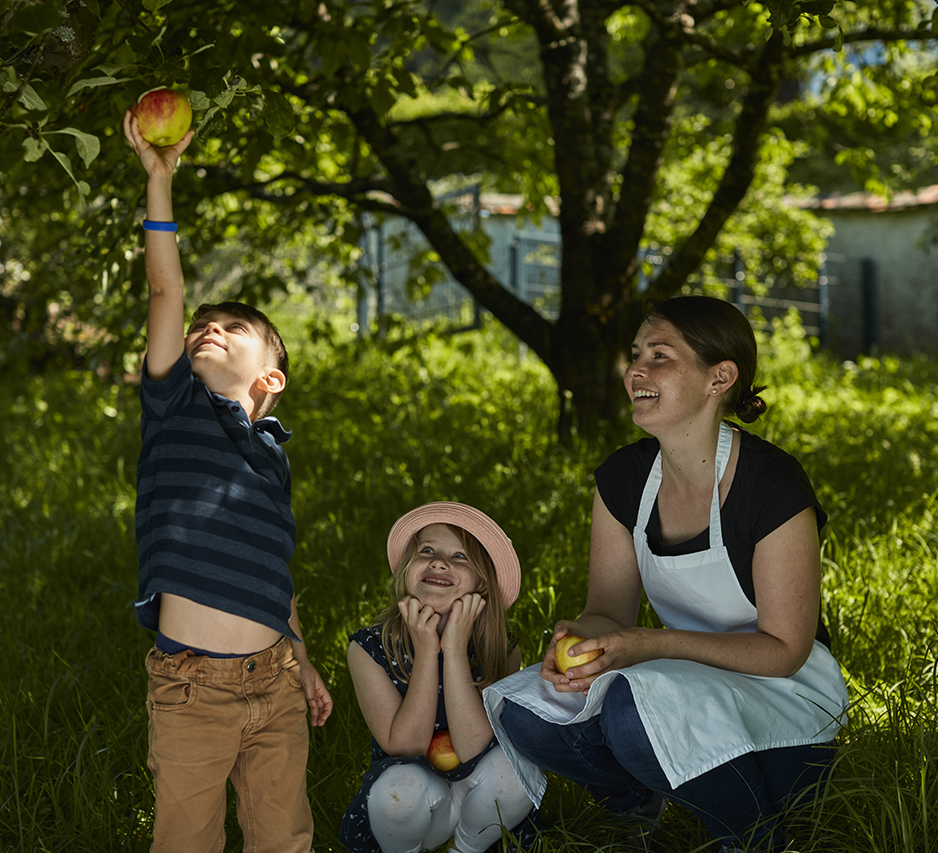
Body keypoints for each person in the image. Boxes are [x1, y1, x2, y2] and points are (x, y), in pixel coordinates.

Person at [484, 296, 849, 853]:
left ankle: (754, 838)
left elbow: (785, 650)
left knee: (631, 708)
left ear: (718, 378)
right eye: (635, 355)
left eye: (661, 356)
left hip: (787, 698)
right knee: (524, 708)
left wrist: (646, 647)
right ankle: (637, 808)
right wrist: (584, 636)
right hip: (681, 679)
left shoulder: (771, 484)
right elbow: (607, 608)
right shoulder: (623, 479)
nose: (637, 370)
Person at [124, 111, 333, 853]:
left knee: (285, 837)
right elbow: (163, 293)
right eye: (200, 325)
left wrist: (302, 657)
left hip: (275, 682)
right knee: (189, 840)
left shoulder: (272, 455)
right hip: (193, 690)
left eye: (231, 329)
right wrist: (160, 179)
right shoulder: (174, 405)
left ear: (270, 377)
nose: (207, 329)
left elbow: (273, 573)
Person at [339, 502, 537, 853]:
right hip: (410, 805)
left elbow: (474, 745)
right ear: (405, 570)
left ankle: (464, 850)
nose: (439, 562)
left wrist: (456, 649)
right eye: (427, 550)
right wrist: (428, 652)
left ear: (482, 585)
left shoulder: (500, 649)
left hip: (479, 801)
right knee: (398, 791)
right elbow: (405, 746)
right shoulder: (368, 648)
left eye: (460, 557)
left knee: (516, 773)